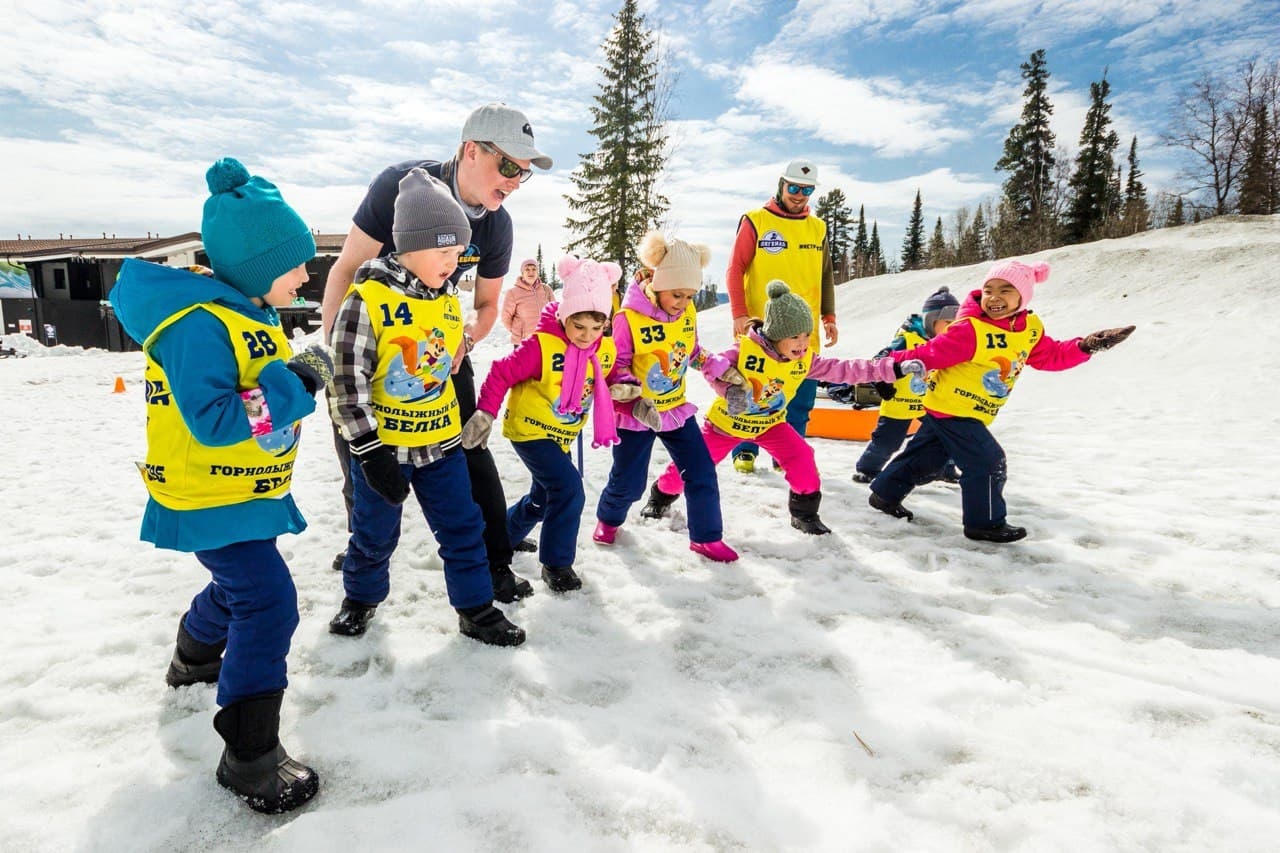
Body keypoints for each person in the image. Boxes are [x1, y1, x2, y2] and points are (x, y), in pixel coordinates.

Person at [108, 158, 328, 814]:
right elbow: (218, 419)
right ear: (259, 264)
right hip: (210, 494)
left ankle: (194, 654)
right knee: (269, 602)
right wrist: (298, 383)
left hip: (236, 491)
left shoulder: (244, 314)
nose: (306, 273)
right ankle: (249, 753)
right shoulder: (201, 325)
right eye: (296, 263)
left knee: (241, 588)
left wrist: (292, 374)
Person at [320, 102, 552, 601]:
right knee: (360, 451)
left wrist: (462, 342)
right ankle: (365, 544)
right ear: (472, 150)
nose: (514, 181)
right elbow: (345, 270)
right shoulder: (399, 188)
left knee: (471, 449)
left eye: (524, 174)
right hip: (372, 338)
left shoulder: (496, 225)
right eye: (509, 165)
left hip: (442, 343)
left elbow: (487, 304)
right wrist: (338, 353)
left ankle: (494, 566)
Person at [327, 168, 525, 647]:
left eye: (459, 254)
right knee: (373, 536)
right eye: (445, 252)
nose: (454, 263)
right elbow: (345, 382)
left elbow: (448, 356)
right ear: (408, 247)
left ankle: (476, 608)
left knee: (463, 527)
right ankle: (360, 599)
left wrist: (459, 348)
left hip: (441, 445)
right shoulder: (367, 300)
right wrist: (368, 452)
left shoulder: (446, 299)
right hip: (386, 450)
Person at [867, 260, 1136, 542]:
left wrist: (1086, 345)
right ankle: (984, 523)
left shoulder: (1028, 329)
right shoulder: (970, 330)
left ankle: (885, 494)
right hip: (953, 408)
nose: (995, 297)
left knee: (925, 459)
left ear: (1023, 296)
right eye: (989, 290)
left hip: (967, 410)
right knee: (987, 462)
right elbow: (928, 354)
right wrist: (885, 368)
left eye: (1006, 290)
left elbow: (1050, 356)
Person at [656, 281, 908, 535]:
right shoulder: (744, 350)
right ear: (776, 334)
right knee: (691, 466)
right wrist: (729, 391)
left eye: (807, 335)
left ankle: (805, 514)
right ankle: (660, 497)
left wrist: (888, 369)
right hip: (725, 426)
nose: (803, 343)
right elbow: (713, 367)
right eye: (795, 336)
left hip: (770, 425)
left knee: (802, 457)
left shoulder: (804, 360)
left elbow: (844, 369)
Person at [460, 254, 620, 592]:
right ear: (564, 317)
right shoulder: (542, 346)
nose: (586, 336)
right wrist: (486, 412)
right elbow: (503, 371)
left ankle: (505, 536)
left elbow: (612, 375)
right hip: (531, 431)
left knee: (543, 497)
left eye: (596, 327)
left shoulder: (603, 350)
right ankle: (557, 564)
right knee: (568, 489)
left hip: (560, 434)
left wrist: (627, 389)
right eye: (579, 327)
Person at [593, 232, 742, 562]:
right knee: (629, 483)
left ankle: (706, 537)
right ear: (657, 283)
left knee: (701, 471)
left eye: (691, 296)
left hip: (674, 409)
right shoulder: (628, 318)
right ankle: (609, 519)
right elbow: (617, 365)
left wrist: (721, 368)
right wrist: (628, 391)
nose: (684, 303)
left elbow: (692, 352)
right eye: (677, 294)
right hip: (636, 413)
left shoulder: (687, 315)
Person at [725, 158, 838, 474]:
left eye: (807, 189)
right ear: (781, 185)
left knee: (800, 398)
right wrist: (739, 314)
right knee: (752, 389)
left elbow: (825, 274)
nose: (799, 195)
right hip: (762, 329)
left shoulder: (818, 228)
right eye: (794, 187)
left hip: (804, 331)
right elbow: (735, 269)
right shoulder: (755, 220)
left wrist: (829, 315)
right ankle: (744, 450)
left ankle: (787, 454)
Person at [852, 286, 962, 483]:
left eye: (955, 323)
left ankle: (945, 468)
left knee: (945, 434)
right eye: (947, 322)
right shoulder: (908, 339)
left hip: (929, 402)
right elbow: (880, 359)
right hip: (899, 401)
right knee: (887, 442)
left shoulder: (946, 344)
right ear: (931, 320)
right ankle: (867, 469)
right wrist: (881, 381)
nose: (951, 328)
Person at [500, 257, 555, 345]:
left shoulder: (546, 289)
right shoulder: (513, 293)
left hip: (545, 339)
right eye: (527, 269)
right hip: (523, 343)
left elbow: (554, 313)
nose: (531, 272)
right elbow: (505, 317)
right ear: (522, 273)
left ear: (537, 272)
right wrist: (518, 332)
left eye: (534, 269)